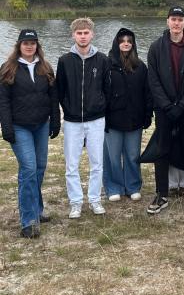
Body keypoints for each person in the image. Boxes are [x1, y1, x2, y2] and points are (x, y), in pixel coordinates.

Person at [146, 6, 184, 216]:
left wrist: (182, 105)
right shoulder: (156, 47)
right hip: (164, 110)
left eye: (180, 19)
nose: (177, 23)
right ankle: (161, 194)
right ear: (167, 21)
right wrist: (167, 105)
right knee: (162, 151)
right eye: (173, 19)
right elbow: (153, 80)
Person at [0, 30, 60, 238]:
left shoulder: (46, 68)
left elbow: (53, 97)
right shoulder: (8, 69)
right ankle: (28, 221)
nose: (29, 46)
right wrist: (6, 127)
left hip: (41, 125)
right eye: (25, 43)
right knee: (28, 169)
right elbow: (3, 101)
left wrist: (55, 121)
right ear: (19, 45)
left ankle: (37, 209)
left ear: (37, 46)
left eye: (33, 43)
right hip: (19, 126)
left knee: (40, 167)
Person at [56, 17, 110, 218]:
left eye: (86, 32)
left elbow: (107, 88)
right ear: (73, 35)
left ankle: (95, 199)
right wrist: (67, 109)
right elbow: (60, 90)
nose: (83, 36)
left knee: (97, 163)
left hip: (96, 119)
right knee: (72, 165)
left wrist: (100, 106)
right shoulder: (64, 60)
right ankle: (76, 202)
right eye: (79, 33)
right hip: (72, 121)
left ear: (92, 34)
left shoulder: (102, 59)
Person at [103, 28, 152, 202]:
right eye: (122, 41)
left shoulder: (141, 66)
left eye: (129, 41)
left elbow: (147, 93)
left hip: (134, 119)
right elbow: (101, 92)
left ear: (133, 44)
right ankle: (113, 187)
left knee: (133, 155)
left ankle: (133, 186)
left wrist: (148, 115)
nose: (125, 44)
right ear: (117, 43)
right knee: (113, 157)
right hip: (112, 119)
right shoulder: (107, 65)